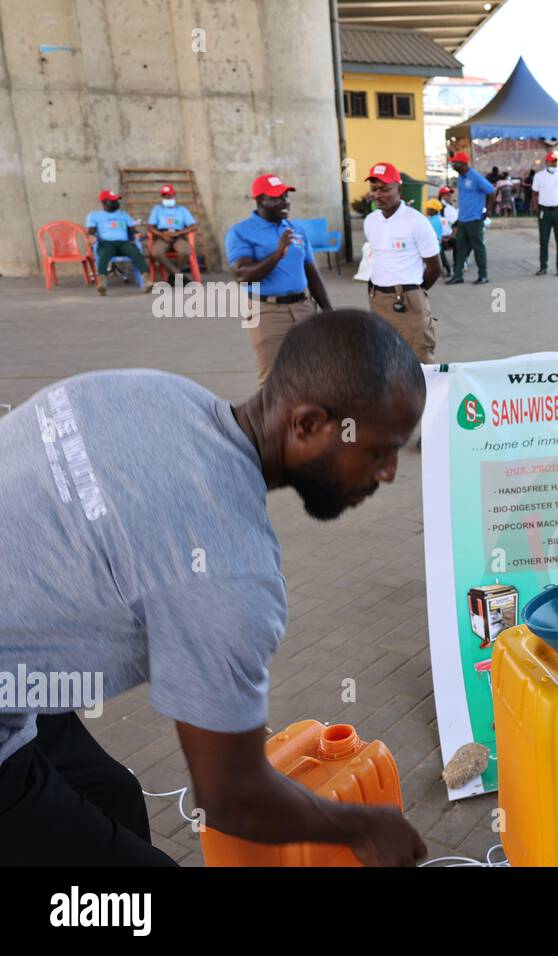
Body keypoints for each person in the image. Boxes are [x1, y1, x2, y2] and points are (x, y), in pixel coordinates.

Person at [0, 310, 430, 866]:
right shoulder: (229, 571)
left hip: (17, 674)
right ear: (306, 424)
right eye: (378, 451)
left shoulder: (153, 390)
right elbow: (233, 800)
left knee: (115, 796)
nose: (390, 472)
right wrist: (364, 826)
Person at [225, 173, 333, 388]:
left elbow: (310, 271)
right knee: (274, 380)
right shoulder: (241, 232)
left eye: (285, 196)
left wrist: (327, 310)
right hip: (267, 312)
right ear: (259, 201)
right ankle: (270, 422)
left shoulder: (296, 230)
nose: (284, 202)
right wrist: (277, 254)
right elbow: (242, 275)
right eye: (276, 198)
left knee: (311, 372)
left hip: (304, 308)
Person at [362, 161, 440, 362]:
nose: (378, 194)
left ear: (399, 188)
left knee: (419, 363)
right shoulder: (370, 221)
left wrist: (414, 293)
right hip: (377, 299)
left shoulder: (416, 222)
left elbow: (435, 268)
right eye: (374, 189)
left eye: (385, 189)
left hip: (407, 301)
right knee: (385, 361)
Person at [86, 189, 149, 295]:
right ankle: (101, 283)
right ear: (104, 202)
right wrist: (91, 238)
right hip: (106, 243)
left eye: (116, 200)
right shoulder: (94, 216)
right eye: (112, 200)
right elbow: (91, 233)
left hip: (123, 243)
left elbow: (134, 232)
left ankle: (147, 280)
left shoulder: (124, 215)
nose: (115, 203)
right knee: (104, 255)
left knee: (136, 253)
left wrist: (143, 235)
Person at [447, 151, 493, 285]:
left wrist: (488, 210)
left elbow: (492, 191)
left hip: (474, 218)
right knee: (461, 248)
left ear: (462, 164)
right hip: (462, 219)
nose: (453, 165)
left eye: (455, 163)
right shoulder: (461, 177)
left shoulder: (475, 177)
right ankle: (458, 275)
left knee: (478, 247)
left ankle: (483, 275)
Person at [146, 184, 199, 283]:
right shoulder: (157, 209)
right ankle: (179, 275)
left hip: (178, 235)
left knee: (185, 251)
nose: (167, 198)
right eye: (165, 196)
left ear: (174, 195)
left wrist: (178, 232)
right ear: (162, 197)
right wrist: (162, 235)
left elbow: (194, 226)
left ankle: (172, 277)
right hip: (162, 235)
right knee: (156, 252)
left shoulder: (182, 209)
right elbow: (150, 226)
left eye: (169, 196)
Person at [532, 152, 558, 276]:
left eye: (554, 161)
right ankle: (543, 267)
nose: (552, 163)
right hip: (544, 211)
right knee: (543, 241)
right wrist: (537, 208)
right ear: (546, 162)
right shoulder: (538, 176)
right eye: (550, 161)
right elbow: (534, 194)